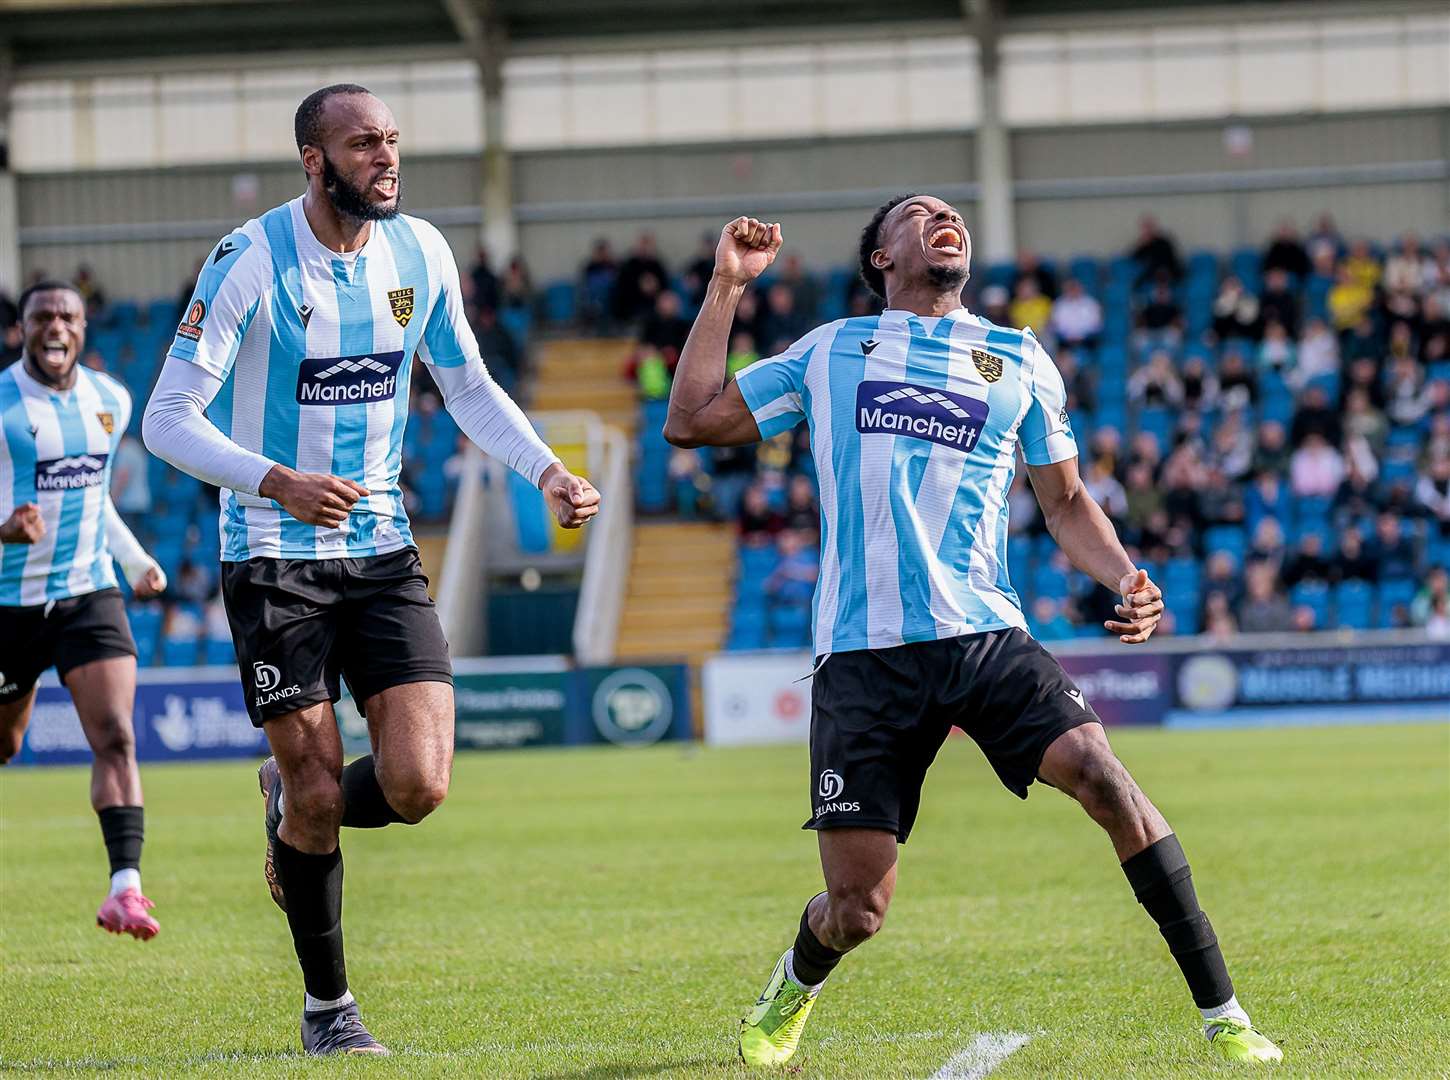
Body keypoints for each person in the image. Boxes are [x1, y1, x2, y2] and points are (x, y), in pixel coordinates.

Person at [662, 196, 1281, 1067]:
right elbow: (689, 420)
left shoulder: (1018, 358)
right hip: (863, 655)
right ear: (882, 256)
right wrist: (726, 286)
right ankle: (792, 987)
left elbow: (1063, 500)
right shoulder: (832, 350)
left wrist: (1126, 576)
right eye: (916, 215)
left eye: (950, 212)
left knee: (1107, 780)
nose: (941, 217)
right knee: (857, 913)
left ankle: (1225, 1016)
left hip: (984, 634)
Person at [140, 84, 600, 1057]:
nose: (386, 157)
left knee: (420, 784)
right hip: (274, 558)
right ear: (315, 160)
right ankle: (329, 1011)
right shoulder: (249, 261)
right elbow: (166, 418)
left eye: (392, 140)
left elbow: (465, 382)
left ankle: (287, 804)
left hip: (382, 553)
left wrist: (546, 468)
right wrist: (275, 482)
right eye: (364, 144)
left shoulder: (419, 252)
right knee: (316, 797)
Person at [1, 280, 168, 941]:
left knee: (117, 737)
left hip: (86, 591)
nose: (55, 326)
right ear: (23, 328)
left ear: (82, 328)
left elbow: (95, 502)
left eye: (67, 315)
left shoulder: (111, 401)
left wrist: (133, 563)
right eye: (42, 315)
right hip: (8, 603)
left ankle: (124, 888)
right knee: (5, 741)